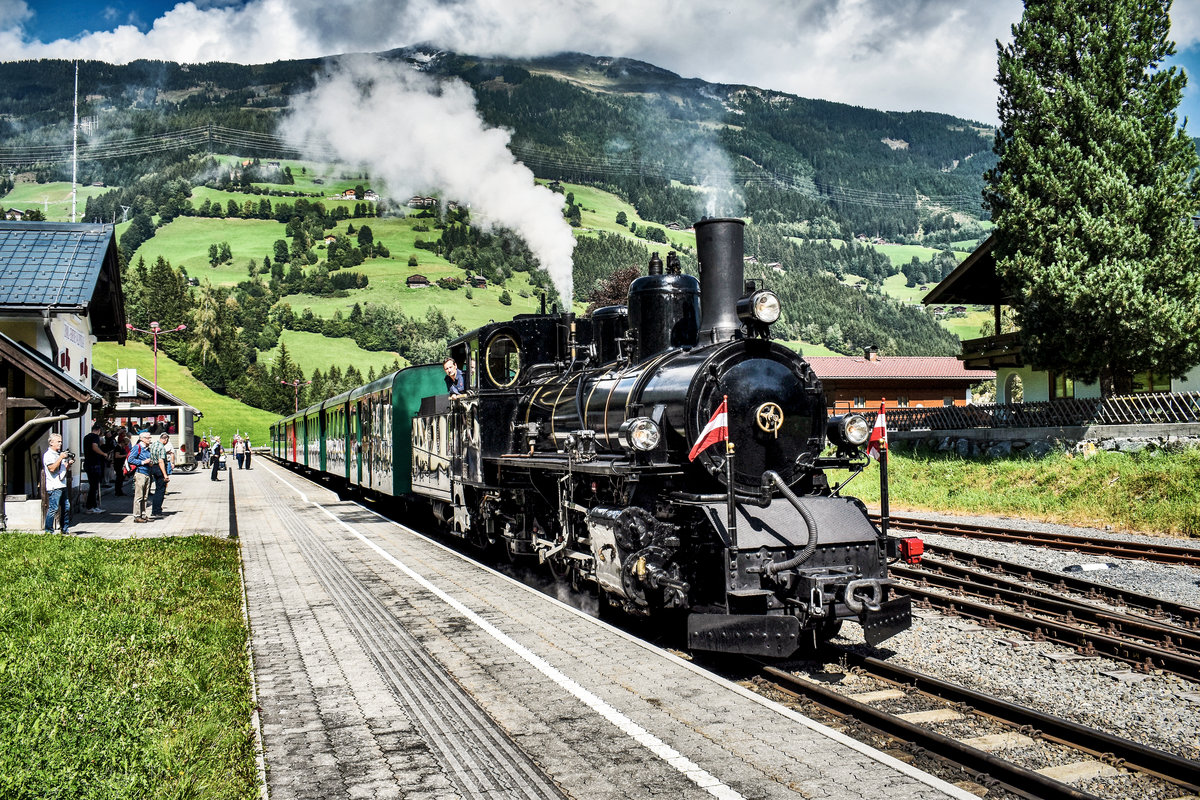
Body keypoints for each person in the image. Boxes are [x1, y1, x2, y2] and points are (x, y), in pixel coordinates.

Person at [43, 433, 73, 535]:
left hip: (62, 484)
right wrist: (60, 458)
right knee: (53, 509)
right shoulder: (48, 455)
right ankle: (48, 531)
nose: (60, 443)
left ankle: (65, 529)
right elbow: (52, 469)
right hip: (54, 486)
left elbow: (62, 470)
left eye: (61, 441)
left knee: (66, 507)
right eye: (58, 442)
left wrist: (68, 464)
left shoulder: (59, 454)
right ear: (51, 442)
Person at [128, 430, 155, 523]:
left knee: (145, 496)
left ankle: (143, 515)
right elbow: (130, 459)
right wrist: (143, 462)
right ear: (142, 439)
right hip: (140, 473)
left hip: (147, 473)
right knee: (139, 496)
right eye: (148, 438)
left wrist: (150, 462)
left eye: (150, 437)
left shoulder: (147, 448)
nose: (149, 439)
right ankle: (137, 516)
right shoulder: (137, 447)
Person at [82, 421, 108, 513]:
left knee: (93, 486)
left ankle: (92, 505)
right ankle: (91, 506)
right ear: (99, 431)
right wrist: (103, 454)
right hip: (94, 464)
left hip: (88, 463)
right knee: (94, 486)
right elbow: (94, 447)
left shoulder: (86, 437)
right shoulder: (95, 437)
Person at [149, 432, 171, 517]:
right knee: (160, 490)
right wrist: (165, 474)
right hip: (159, 468)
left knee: (157, 489)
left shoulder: (154, 445)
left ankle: (155, 509)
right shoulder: (162, 447)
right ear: (165, 439)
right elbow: (161, 461)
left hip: (153, 467)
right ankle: (157, 510)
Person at [110, 429, 129, 496]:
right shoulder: (118, 447)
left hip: (121, 464)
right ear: (122, 442)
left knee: (121, 478)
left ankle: (119, 490)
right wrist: (125, 455)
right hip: (118, 465)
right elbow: (117, 456)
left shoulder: (121, 448)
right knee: (119, 478)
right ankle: (117, 491)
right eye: (125, 444)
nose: (126, 445)